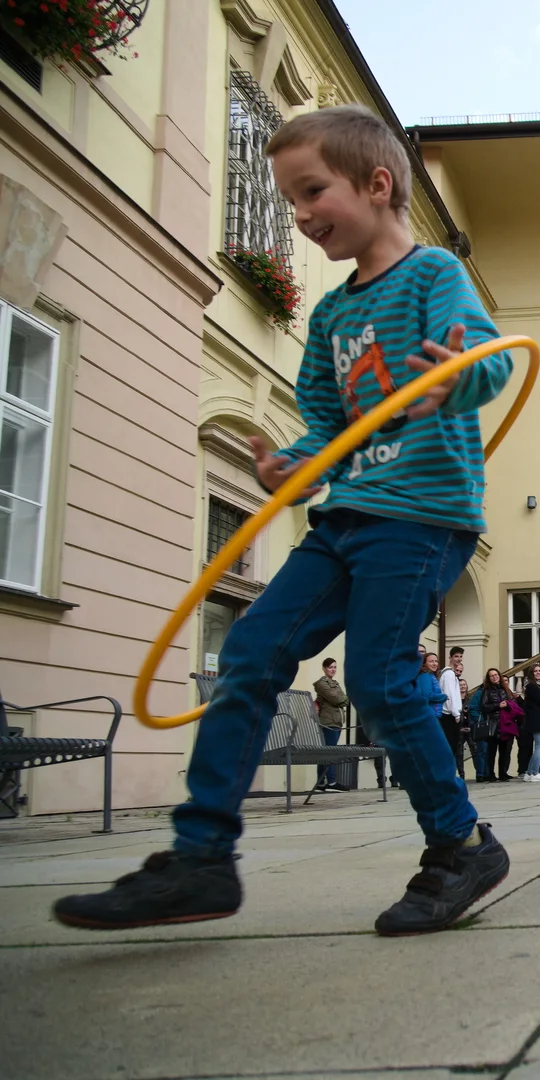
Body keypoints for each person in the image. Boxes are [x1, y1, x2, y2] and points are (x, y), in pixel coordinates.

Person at [52, 104, 513, 935]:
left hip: (419, 518)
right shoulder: (332, 315)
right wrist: (291, 470)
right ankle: (202, 857)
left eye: (311, 191)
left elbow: (483, 359)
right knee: (250, 651)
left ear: (378, 185)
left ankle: (461, 843)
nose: (298, 213)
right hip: (343, 520)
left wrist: (455, 374)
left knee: (377, 678)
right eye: (289, 198)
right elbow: (327, 428)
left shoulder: (433, 274)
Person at [312, 657, 351, 790]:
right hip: (328, 722)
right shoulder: (321, 684)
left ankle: (320, 784)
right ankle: (332, 782)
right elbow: (337, 699)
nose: (333, 670)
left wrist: (342, 699)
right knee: (330, 752)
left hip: (337, 722)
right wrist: (342, 699)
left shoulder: (335, 683)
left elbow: (345, 700)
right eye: (330, 667)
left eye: (335, 667)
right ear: (324, 668)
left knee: (326, 752)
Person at [469, 668, 514, 781]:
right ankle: (491, 774)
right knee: (491, 751)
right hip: (493, 723)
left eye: (496, 675)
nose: (494, 677)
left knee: (504, 750)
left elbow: (513, 703)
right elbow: (484, 707)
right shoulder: (486, 691)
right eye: (492, 675)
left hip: (505, 722)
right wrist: (498, 705)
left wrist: (508, 705)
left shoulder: (505, 689)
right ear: (489, 678)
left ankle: (503, 773)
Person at [516, 662, 540, 780]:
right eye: (535, 671)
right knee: (539, 747)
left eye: (539, 671)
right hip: (537, 720)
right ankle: (535, 773)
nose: (538, 673)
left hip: (537, 719)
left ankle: (529, 772)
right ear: (531, 673)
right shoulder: (532, 686)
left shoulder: (536, 686)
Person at [439, 646, 466, 778]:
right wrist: (456, 714)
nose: (459, 659)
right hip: (449, 715)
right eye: (456, 656)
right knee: (450, 747)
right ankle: (447, 775)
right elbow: (449, 695)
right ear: (450, 657)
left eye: (460, 656)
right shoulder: (449, 674)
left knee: (453, 747)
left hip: (451, 714)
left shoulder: (451, 673)